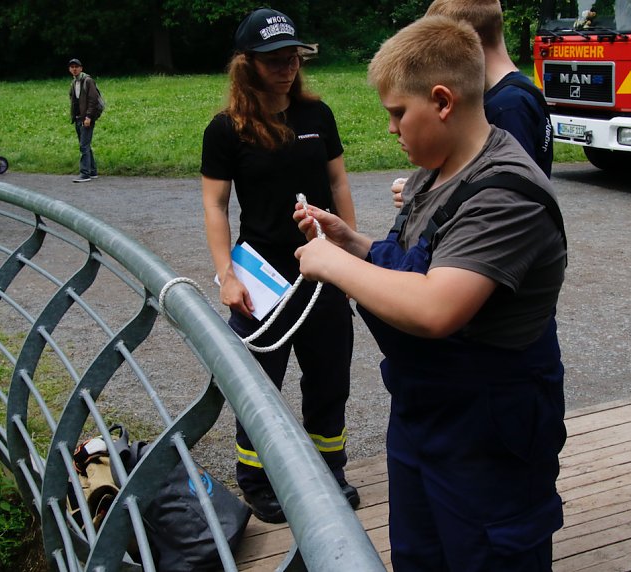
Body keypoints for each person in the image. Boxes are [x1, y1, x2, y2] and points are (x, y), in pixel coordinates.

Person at [294, 15, 567, 570]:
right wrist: (355, 245)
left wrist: (330, 265)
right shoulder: (432, 174)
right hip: (423, 416)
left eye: (399, 112)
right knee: (420, 557)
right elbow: (418, 265)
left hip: (489, 433)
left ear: (442, 101)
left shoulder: (507, 193)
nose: (392, 129)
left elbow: (436, 306)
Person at [200, 7, 359, 524]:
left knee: (329, 378)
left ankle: (328, 470)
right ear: (247, 64)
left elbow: (338, 186)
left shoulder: (318, 115)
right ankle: (256, 480)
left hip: (324, 272)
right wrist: (226, 275)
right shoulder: (226, 130)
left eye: (293, 56)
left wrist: (352, 256)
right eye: (274, 59)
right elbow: (215, 206)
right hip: (262, 279)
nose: (288, 66)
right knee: (258, 384)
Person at [391, 0, 553, 208]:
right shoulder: (516, 92)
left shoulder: (509, 106)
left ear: (467, 43)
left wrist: (427, 196)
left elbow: (506, 195)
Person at [68, 58, 101, 183]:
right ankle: (92, 171)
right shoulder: (74, 82)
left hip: (86, 119)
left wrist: (88, 117)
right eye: (72, 67)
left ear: (81, 68)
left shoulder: (87, 81)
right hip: (77, 118)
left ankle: (84, 173)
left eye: (76, 66)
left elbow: (93, 100)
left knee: (83, 146)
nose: (74, 69)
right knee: (86, 146)